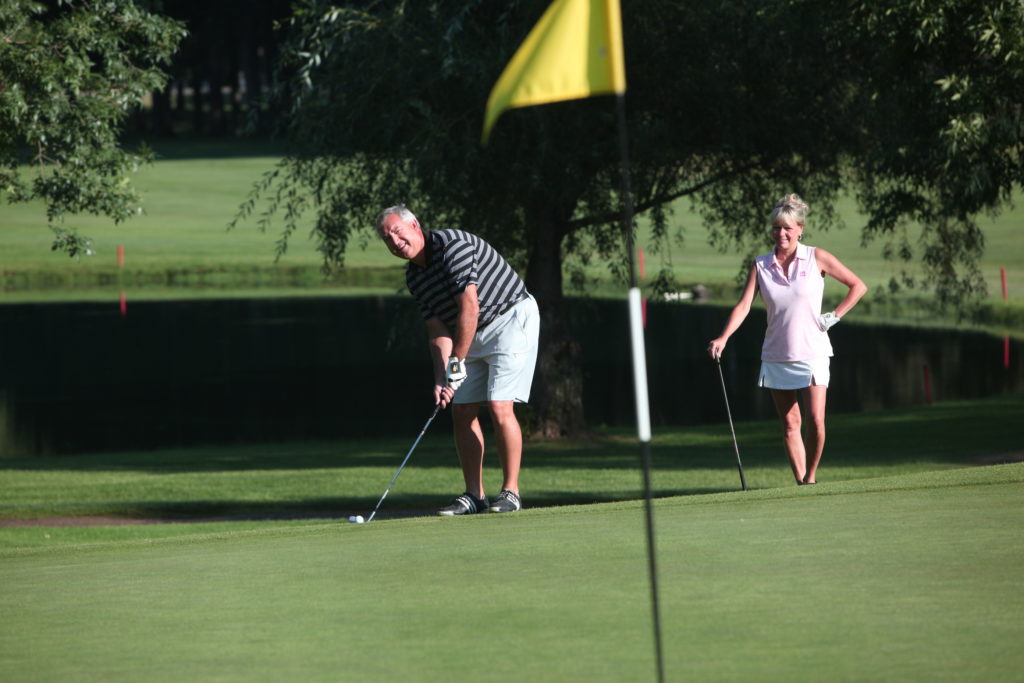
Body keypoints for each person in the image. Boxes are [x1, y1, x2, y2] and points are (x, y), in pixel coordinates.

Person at [377, 204, 540, 515]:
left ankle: (511, 493)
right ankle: (474, 496)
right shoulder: (415, 277)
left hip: (510, 318)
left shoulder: (454, 247)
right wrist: (442, 377)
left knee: (498, 404)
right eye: (387, 239)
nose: (395, 242)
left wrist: (456, 364)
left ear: (415, 225)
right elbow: (437, 329)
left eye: (398, 232)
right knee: (462, 409)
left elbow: (469, 308)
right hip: (472, 332)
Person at [708, 194, 867, 485]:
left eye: (787, 228)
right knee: (790, 424)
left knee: (816, 421)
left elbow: (858, 286)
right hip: (777, 354)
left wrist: (833, 316)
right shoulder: (761, 265)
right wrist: (724, 337)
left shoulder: (817, 257)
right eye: (776, 228)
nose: (781, 234)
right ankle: (802, 483)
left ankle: (811, 476)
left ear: (800, 229)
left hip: (813, 351)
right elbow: (743, 306)